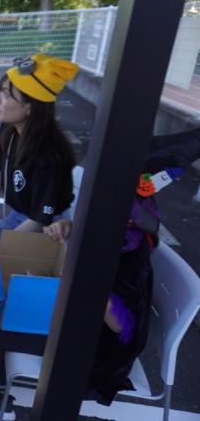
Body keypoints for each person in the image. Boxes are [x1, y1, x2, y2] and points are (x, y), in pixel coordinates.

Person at [44, 127, 200, 405]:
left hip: (97, 359)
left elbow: (122, 325)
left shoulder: (127, 249)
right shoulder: (120, 224)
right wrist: (70, 227)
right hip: (79, 334)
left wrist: (76, 282)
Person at [0, 54, 79, 248]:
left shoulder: (51, 155)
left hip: (48, 229)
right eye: (1, 91)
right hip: (19, 217)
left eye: (7, 95)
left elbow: (40, 219)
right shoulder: (8, 131)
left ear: (29, 108)